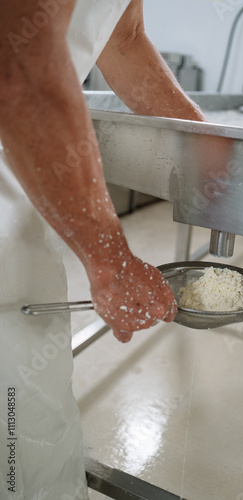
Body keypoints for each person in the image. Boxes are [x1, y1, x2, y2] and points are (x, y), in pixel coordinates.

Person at [0, 0, 207, 497]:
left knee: (34, 423)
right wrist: (109, 260)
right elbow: (20, 65)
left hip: (28, 196)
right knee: (13, 419)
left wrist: (205, 143)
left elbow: (125, 36)